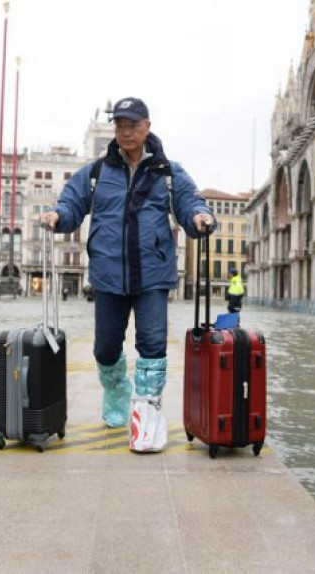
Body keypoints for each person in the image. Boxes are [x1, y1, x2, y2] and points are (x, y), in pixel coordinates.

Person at [40, 97, 215, 452]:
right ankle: (118, 392)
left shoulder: (168, 172)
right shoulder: (96, 172)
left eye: (132, 125)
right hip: (107, 274)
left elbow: (190, 202)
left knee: (152, 346)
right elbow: (72, 203)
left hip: (152, 274)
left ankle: (147, 414)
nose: (125, 132)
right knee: (105, 348)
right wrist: (58, 215)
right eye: (120, 125)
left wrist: (200, 218)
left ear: (147, 127)